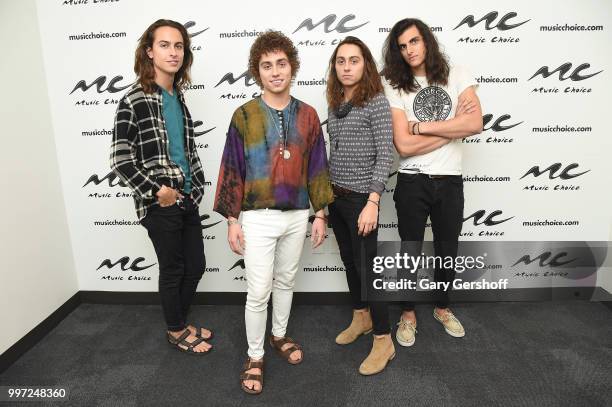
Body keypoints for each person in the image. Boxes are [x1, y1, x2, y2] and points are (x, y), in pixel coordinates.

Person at [213, 30, 334, 394]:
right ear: (257, 72)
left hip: (297, 215)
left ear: (292, 67)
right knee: (258, 291)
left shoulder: (309, 115)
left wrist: (321, 214)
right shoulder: (245, 115)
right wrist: (233, 221)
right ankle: (254, 356)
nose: (275, 71)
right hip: (257, 217)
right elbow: (232, 167)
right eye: (267, 66)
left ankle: (279, 336)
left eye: (281, 63)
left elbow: (317, 168)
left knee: (285, 281)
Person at [110, 19, 212, 355]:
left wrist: (194, 190)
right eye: (165, 45)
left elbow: (189, 151)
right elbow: (121, 161)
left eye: (179, 45)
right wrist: (157, 192)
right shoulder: (134, 100)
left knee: (195, 265)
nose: (173, 52)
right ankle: (175, 329)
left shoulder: (178, 98)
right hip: (159, 201)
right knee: (173, 269)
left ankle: (179, 320)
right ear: (149, 51)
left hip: (185, 198)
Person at [381, 18, 483, 346]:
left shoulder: (457, 74)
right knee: (410, 250)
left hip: (450, 181)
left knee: (447, 250)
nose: (409, 50)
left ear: (426, 41)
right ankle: (407, 313)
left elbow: (476, 123)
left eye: (413, 41)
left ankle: (442, 307)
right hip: (412, 181)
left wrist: (421, 127)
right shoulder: (395, 85)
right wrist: (454, 126)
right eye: (402, 46)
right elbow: (403, 146)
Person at [325, 36, 394, 375]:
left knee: (369, 271)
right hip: (336, 198)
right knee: (350, 263)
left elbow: (386, 154)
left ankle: (384, 339)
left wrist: (373, 201)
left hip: (361, 200)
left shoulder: (377, 102)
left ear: (365, 64)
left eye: (353, 60)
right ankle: (362, 317)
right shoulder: (335, 101)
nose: (347, 66)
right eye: (341, 61)